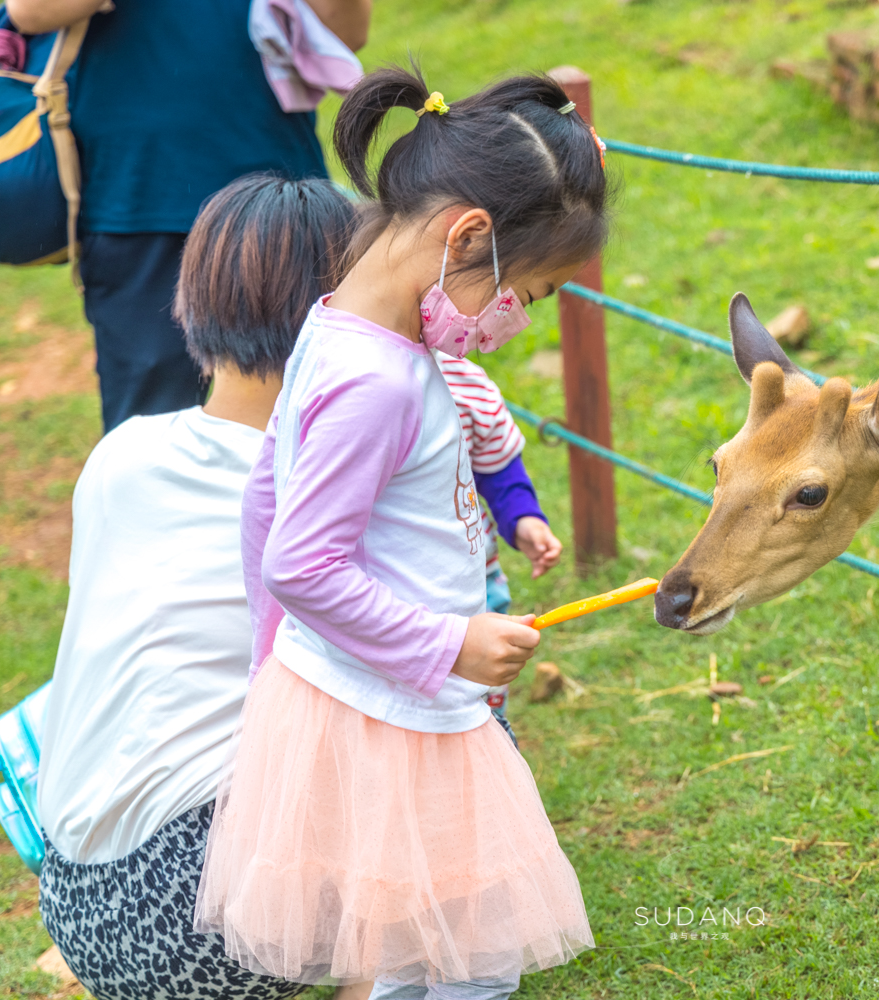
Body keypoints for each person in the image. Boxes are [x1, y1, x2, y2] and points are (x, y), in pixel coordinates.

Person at [193, 68, 609, 1000]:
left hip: (362, 687)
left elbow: (268, 496)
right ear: (466, 235)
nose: (513, 325)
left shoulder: (337, 326)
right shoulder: (380, 381)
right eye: (528, 295)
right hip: (401, 702)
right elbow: (301, 559)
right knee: (475, 959)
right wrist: (450, 640)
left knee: (419, 944)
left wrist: (278, 664)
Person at [35, 173, 359, 1000]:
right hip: (202, 919)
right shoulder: (313, 489)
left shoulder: (122, 455)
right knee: (451, 713)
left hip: (78, 904)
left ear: (194, 300)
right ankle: (390, 977)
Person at [5, 0, 370, 432]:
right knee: (151, 422)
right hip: (139, 194)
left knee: (316, 410)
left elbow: (349, 33)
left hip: (280, 193)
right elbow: (30, 11)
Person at [440, 356, 564, 732]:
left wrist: (523, 519)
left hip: (478, 583)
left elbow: (499, 471)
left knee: (481, 697)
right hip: (396, 594)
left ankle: (490, 742)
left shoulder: (464, 383)